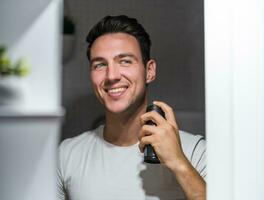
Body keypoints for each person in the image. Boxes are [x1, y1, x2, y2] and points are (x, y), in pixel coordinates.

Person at [57, 15, 206, 200]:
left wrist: (178, 163)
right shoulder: (66, 155)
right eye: (100, 64)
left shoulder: (195, 152)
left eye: (125, 61)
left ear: (149, 71)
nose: (111, 75)